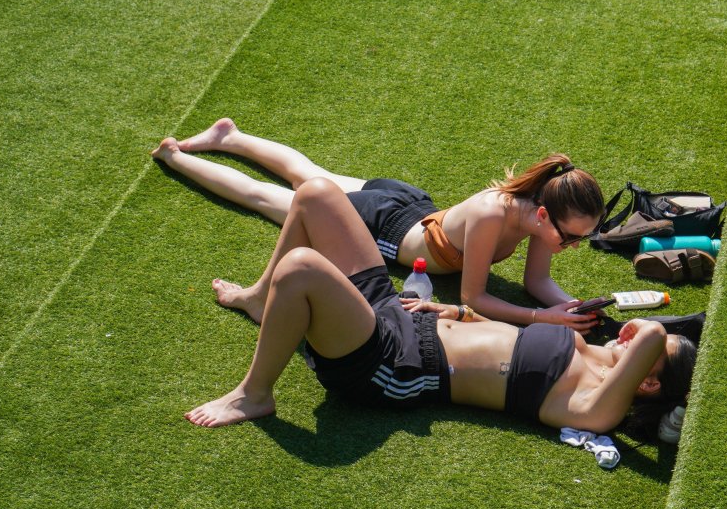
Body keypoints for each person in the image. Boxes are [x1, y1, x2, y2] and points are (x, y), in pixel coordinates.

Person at [183, 177, 695, 438]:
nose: (640, 333)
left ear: (646, 383)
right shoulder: (583, 347)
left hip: (395, 364)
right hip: (405, 317)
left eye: (653, 347)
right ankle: (258, 298)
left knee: (302, 267)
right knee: (316, 193)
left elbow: (647, 335)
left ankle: (255, 394)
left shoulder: (592, 403)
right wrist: (460, 315)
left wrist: (654, 334)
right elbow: (503, 340)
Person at [151, 118, 606, 331]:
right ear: (545, 214)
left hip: (412, 206)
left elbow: (538, 280)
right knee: (273, 200)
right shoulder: (496, 213)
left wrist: (572, 305)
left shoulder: (544, 213)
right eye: (570, 237)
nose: (573, 245)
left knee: (313, 172)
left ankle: (231, 137)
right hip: (388, 230)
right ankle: (176, 155)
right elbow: (474, 297)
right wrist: (540, 319)